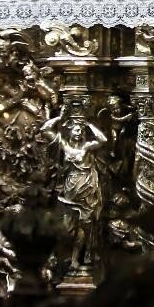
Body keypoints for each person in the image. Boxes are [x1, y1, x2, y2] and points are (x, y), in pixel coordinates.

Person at [41, 107, 109, 270]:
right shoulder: (63, 145)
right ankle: (59, 255)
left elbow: (103, 140)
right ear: (69, 132)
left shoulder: (86, 147)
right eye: (76, 130)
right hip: (70, 188)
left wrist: (89, 125)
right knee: (67, 226)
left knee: (84, 226)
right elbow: (45, 129)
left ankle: (75, 259)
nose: (79, 133)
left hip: (87, 185)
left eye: (80, 130)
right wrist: (60, 119)